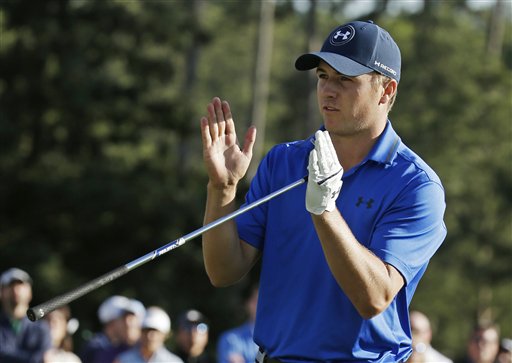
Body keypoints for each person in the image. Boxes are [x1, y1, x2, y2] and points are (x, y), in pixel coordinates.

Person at [199, 19, 447, 362]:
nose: (328, 90)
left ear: (387, 91)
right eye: (323, 77)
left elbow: (373, 298)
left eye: (345, 80)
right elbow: (223, 271)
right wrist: (222, 189)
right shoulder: (283, 162)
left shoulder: (416, 185)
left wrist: (325, 209)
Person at [0, 267, 52, 363]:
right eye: (10, 285)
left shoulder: (41, 328)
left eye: (21, 285)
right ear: (1, 292)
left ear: (30, 292)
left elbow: (45, 358)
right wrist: (33, 358)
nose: (16, 290)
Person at [80, 295, 145, 363]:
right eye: (123, 318)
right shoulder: (96, 348)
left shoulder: (143, 348)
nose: (127, 323)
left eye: (131, 318)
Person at [114, 306, 183, 363]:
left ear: (165, 335)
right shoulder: (122, 360)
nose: (149, 336)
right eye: (146, 331)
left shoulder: (174, 362)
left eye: (155, 331)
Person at [217, 285, 259, 363]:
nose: (261, 305)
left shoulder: (280, 338)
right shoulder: (230, 338)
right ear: (247, 304)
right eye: (256, 300)